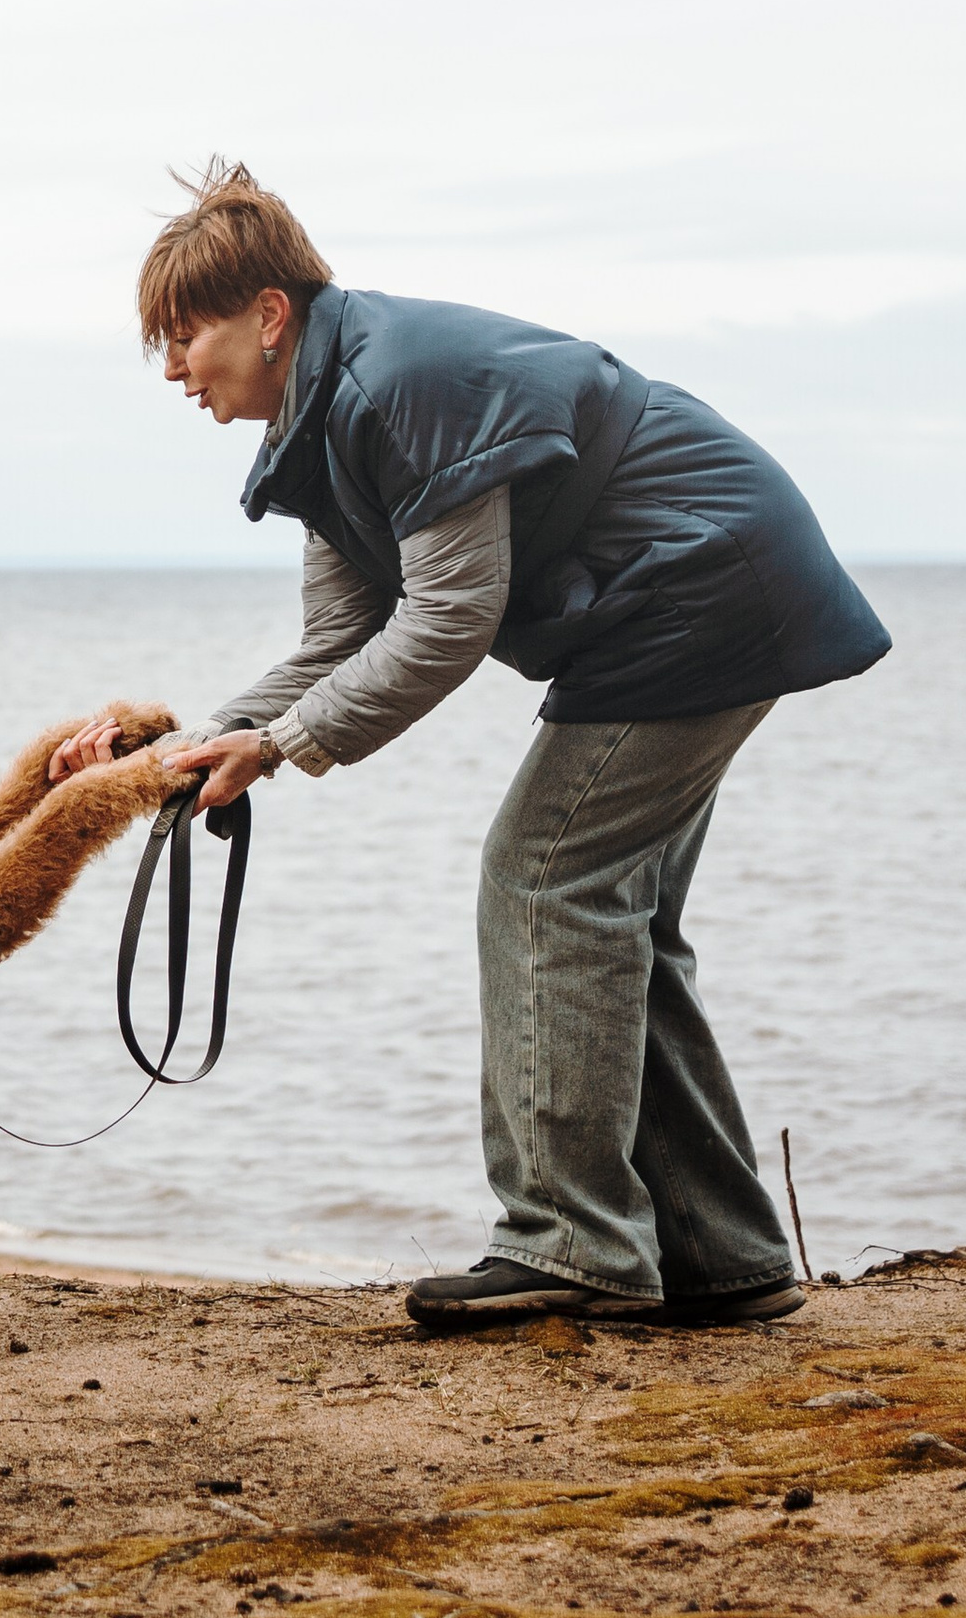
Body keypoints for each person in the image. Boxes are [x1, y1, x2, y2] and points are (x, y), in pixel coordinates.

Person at [51, 160, 889, 1332]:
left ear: (269, 315)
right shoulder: (328, 422)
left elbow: (448, 620)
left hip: (700, 587)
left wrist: (278, 750)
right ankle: (718, 1254)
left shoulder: (398, 388)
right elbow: (338, 642)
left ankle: (571, 1244)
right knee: (608, 913)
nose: (173, 368)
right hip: (699, 592)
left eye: (184, 336)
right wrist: (179, 752)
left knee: (543, 880)